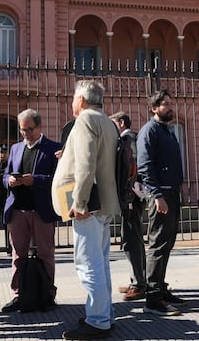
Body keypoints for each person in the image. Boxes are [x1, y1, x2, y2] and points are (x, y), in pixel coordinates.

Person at [51, 80, 120, 340]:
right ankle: (104, 314)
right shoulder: (108, 122)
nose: (72, 103)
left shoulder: (85, 120)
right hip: (104, 203)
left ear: (80, 99)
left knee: (88, 263)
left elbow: (86, 163)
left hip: (88, 206)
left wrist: (79, 203)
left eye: (73, 98)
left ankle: (98, 321)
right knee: (100, 263)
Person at [0, 109, 61, 313]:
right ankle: (18, 294)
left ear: (39, 127)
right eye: (22, 130)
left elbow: (58, 178)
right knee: (18, 255)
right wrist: (9, 180)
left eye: (29, 129)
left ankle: (48, 294)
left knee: (45, 253)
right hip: (18, 210)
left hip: (41, 210)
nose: (25, 133)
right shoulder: (16, 148)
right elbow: (5, 174)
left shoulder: (53, 148)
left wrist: (35, 180)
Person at [137, 89, 185, 316]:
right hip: (161, 195)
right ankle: (153, 298)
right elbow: (145, 166)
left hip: (172, 193)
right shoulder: (149, 131)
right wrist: (156, 195)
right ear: (154, 108)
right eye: (165, 103)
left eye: (170, 102)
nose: (169, 106)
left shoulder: (168, 131)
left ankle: (161, 290)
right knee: (157, 245)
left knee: (167, 244)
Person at [110, 111, 146, 301]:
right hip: (130, 195)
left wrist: (130, 192)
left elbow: (134, 166)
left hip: (131, 196)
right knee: (133, 238)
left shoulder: (128, 139)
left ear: (122, 123)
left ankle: (138, 284)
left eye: (113, 124)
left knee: (131, 239)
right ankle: (138, 279)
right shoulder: (125, 140)